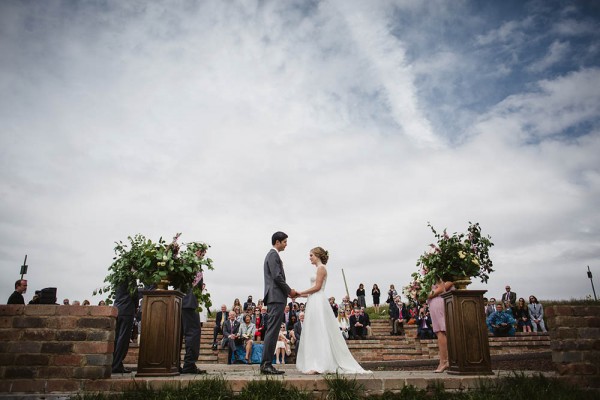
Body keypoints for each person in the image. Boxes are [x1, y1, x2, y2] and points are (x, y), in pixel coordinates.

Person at [295, 246, 369, 374]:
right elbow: (312, 290)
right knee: (313, 330)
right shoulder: (318, 269)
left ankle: (320, 364)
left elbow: (317, 287)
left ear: (317, 255)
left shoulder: (321, 268)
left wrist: (300, 291)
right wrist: (298, 295)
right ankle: (314, 362)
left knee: (319, 329)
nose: (309, 258)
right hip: (313, 300)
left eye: (311, 255)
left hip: (318, 301)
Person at [260, 231, 297, 375]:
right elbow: (277, 276)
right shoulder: (273, 255)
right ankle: (266, 364)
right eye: (285, 242)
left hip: (276, 297)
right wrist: (289, 291)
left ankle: (266, 364)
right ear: (277, 242)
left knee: (273, 331)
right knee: (272, 331)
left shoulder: (273, 255)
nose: (286, 244)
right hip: (276, 297)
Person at [180, 268, 206, 374]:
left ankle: (179, 364)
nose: (202, 253)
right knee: (193, 333)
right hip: (188, 303)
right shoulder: (189, 265)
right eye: (201, 251)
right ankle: (189, 364)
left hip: (183, 302)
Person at [427, 277, 454, 373]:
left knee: (441, 331)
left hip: (439, 301)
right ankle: (445, 361)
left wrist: (426, 295)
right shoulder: (434, 276)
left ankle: (444, 362)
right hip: (436, 302)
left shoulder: (442, 273)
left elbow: (441, 288)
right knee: (441, 332)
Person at [112, 280, 139, 374]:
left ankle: (114, 363)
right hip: (127, 310)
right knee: (123, 339)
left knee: (116, 338)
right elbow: (134, 295)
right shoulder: (131, 279)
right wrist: (136, 307)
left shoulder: (118, 277)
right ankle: (116, 364)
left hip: (117, 308)